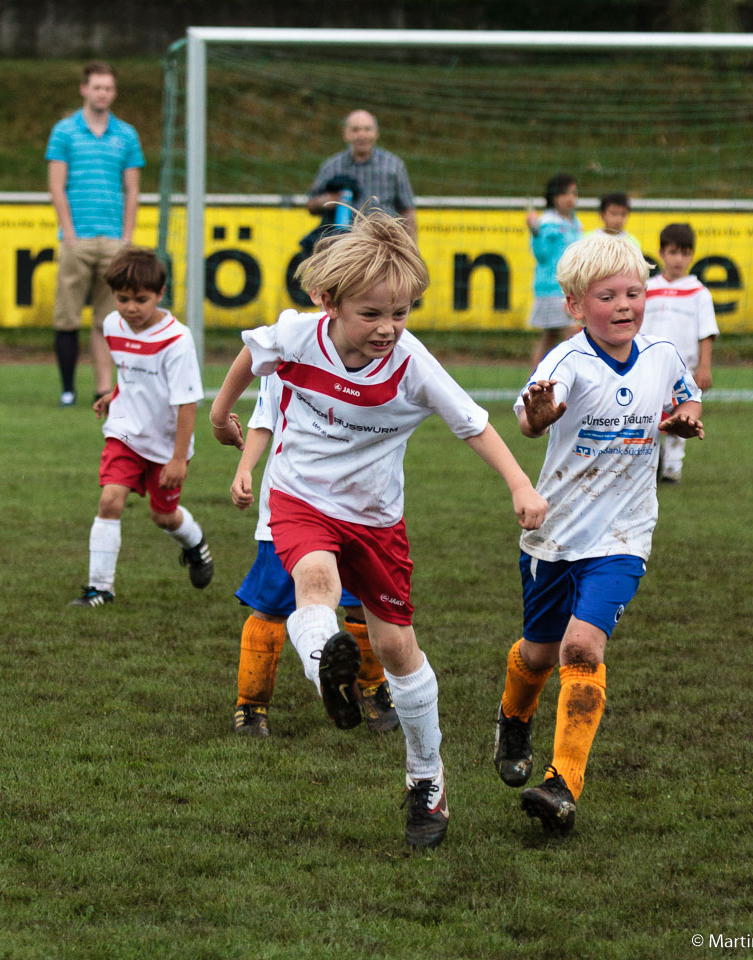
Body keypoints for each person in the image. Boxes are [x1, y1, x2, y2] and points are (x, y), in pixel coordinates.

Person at [210, 210, 547, 850]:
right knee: (312, 581)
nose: (388, 328)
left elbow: (472, 424)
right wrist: (222, 416)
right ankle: (327, 674)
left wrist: (520, 484)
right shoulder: (297, 334)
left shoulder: (412, 363)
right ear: (326, 301)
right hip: (300, 496)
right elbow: (250, 356)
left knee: (396, 649)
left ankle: (428, 778)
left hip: (375, 520)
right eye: (372, 314)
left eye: (402, 313)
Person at [492, 231, 704, 836]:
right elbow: (532, 419)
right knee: (536, 654)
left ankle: (562, 785)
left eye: (633, 292)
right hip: (556, 534)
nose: (623, 305)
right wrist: (539, 414)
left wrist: (686, 418)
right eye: (607, 295)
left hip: (625, 533)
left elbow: (687, 400)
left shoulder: (663, 354)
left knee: (581, 649)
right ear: (576, 306)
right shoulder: (564, 362)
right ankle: (513, 718)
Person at [229, 373, 400, 737]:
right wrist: (244, 469)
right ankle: (251, 703)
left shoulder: (383, 360)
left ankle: (371, 689)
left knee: (361, 605)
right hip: (290, 511)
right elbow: (264, 419)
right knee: (272, 607)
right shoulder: (287, 353)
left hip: (358, 513)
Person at [69, 247, 213, 608]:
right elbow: (129, 371)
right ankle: (99, 588)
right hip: (125, 432)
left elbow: (186, 403)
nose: (130, 308)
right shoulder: (112, 325)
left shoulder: (177, 341)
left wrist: (179, 459)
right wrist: (113, 395)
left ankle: (194, 544)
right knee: (109, 500)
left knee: (163, 516)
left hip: (166, 444)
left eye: (140, 300)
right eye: (122, 299)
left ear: (160, 294)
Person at [46, 61, 145, 408]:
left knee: (107, 319)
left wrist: (126, 236)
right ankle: (67, 388)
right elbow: (57, 187)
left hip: (113, 239)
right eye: (97, 86)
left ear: (114, 92)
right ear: (84, 89)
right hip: (78, 237)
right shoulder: (64, 131)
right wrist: (69, 234)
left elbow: (132, 190)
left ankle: (104, 388)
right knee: (68, 315)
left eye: (108, 88)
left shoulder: (127, 135)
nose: (103, 93)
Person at [640, 223, 719, 484]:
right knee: (645, 417)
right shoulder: (647, 288)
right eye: (673, 252)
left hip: (682, 370)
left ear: (692, 256)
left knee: (681, 417)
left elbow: (706, 332)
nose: (678, 259)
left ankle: (672, 467)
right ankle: (647, 464)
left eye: (685, 253)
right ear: (661, 252)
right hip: (648, 367)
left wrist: (704, 367)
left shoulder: (699, 293)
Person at [306, 110, 416, 237]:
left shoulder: (394, 166)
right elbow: (310, 205)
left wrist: (409, 247)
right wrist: (326, 201)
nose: (362, 135)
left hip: (384, 243)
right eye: (355, 130)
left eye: (367, 129)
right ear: (345, 134)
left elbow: (407, 211)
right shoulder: (330, 167)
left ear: (376, 133)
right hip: (340, 244)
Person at [525, 172, 583, 370]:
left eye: (573, 193)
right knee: (571, 335)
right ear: (553, 197)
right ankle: (536, 383)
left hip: (568, 287)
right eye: (564, 193)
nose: (570, 198)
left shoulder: (575, 222)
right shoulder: (547, 222)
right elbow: (541, 254)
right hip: (552, 288)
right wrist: (535, 232)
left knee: (551, 336)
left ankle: (535, 382)